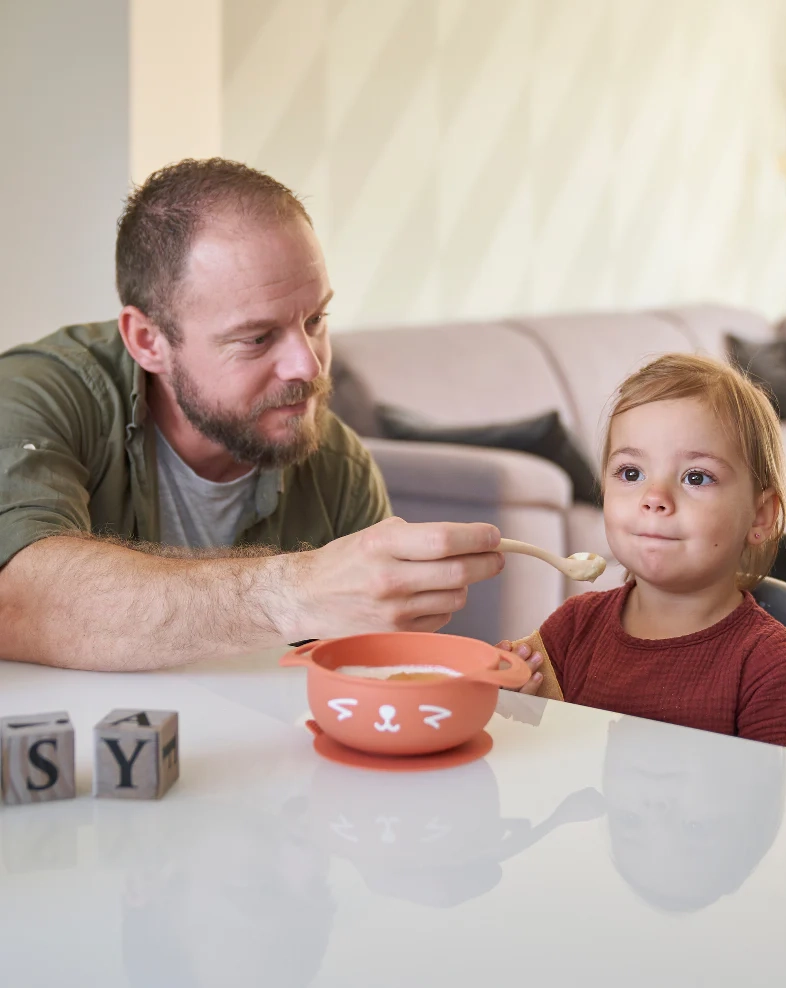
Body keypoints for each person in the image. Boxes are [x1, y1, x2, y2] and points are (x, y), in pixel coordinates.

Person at [0, 158, 503, 671]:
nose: (308, 364)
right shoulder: (35, 397)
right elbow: (16, 596)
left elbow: (369, 683)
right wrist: (294, 592)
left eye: (315, 319)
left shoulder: (337, 463)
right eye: (257, 337)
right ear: (148, 341)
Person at [499, 353, 786, 758]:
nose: (654, 498)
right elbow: (531, 762)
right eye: (631, 473)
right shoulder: (571, 631)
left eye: (696, 477)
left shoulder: (771, 668)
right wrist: (508, 706)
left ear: (761, 515)